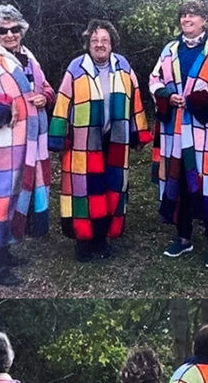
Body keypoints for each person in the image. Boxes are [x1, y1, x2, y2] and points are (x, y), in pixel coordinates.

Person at [0, 5, 55, 287]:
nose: (9, 35)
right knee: (1, 198)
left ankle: (7, 250)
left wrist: (44, 97)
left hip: (30, 141)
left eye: (14, 29)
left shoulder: (29, 59)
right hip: (5, 141)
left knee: (20, 192)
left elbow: (46, 88)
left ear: (21, 30)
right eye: (3, 30)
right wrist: (4, 109)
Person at [48, 20, 151, 262]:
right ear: (88, 44)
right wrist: (58, 136)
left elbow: (135, 100)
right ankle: (83, 242)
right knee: (85, 190)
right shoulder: (76, 68)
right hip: (83, 143)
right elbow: (63, 102)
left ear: (112, 42)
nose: (99, 45)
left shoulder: (123, 67)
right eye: (94, 41)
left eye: (104, 40)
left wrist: (138, 132)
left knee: (111, 189)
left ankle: (102, 239)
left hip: (114, 140)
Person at [150, 0, 208, 269]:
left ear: (204, 20)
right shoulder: (170, 49)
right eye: (183, 15)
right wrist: (168, 95)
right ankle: (183, 236)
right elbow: (155, 80)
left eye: (193, 15)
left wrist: (196, 99)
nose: (187, 19)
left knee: (207, 181)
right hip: (174, 127)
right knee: (179, 180)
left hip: (203, 127)